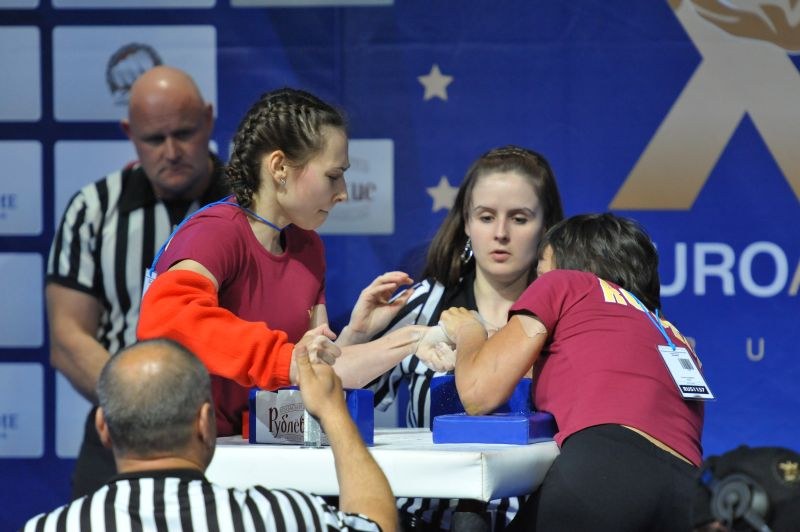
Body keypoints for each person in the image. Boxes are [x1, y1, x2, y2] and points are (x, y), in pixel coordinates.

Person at [136, 87, 441, 438]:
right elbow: (166, 323)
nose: (343, 192)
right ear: (280, 167)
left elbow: (317, 376)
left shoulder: (308, 246)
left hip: (260, 447)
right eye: (333, 175)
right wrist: (288, 361)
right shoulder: (214, 233)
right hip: (188, 448)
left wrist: (356, 333)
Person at [439, 213, 706, 531]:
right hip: (687, 495)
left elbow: (478, 393)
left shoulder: (566, 283)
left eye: (541, 273)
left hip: (605, 470)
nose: (536, 284)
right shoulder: (671, 335)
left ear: (572, 266)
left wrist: (469, 330)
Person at [46, 65, 229, 498]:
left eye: (184, 133)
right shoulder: (93, 210)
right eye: (154, 139)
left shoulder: (251, 206)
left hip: (230, 427)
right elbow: (68, 339)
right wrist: (141, 405)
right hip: (123, 430)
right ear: (130, 133)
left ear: (208, 119)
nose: (172, 151)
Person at [369, 145, 564, 530]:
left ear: (546, 227)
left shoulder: (569, 314)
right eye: (486, 217)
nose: (501, 233)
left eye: (519, 218)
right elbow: (343, 396)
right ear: (466, 224)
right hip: (424, 519)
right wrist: (356, 336)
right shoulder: (423, 304)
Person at [22, 338, 397, 531]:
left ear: (103, 427)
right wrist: (332, 411)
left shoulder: (50, 528)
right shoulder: (278, 515)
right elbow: (376, 524)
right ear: (205, 422)